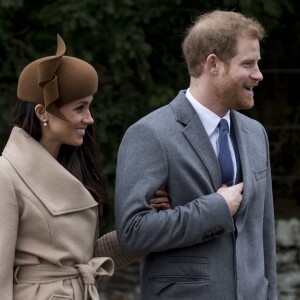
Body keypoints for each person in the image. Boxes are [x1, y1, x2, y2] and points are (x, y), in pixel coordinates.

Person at [114, 10, 277, 300]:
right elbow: (132, 233)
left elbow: (264, 237)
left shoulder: (256, 135)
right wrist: (216, 208)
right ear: (213, 64)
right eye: (248, 64)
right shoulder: (151, 134)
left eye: (258, 64)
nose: (258, 74)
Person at [0, 34, 170, 300]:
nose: (89, 119)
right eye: (80, 108)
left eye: (89, 107)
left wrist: (149, 222)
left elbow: (84, 260)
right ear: (43, 113)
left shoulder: (73, 167)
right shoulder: (6, 176)